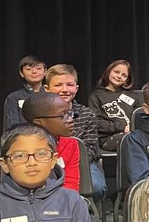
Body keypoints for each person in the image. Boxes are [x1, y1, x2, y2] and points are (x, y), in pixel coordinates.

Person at [47, 64, 105, 192]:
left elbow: (90, 148)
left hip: (82, 162)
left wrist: (70, 161)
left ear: (77, 88)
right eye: (58, 85)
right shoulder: (41, 114)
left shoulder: (87, 114)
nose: (65, 89)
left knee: (96, 186)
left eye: (70, 85)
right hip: (47, 162)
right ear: (46, 88)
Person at [22, 93, 81, 193]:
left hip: (62, 201)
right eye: (63, 115)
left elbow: (71, 184)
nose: (70, 120)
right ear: (39, 123)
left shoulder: (71, 144)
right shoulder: (21, 147)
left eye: (69, 113)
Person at [89, 60, 138, 152]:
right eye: (116, 72)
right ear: (109, 71)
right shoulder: (96, 95)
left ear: (127, 80)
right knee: (132, 138)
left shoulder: (132, 96)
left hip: (133, 133)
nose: (119, 76)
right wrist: (122, 127)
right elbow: (96, 122)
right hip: (107, 138)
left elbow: (139, 115)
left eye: (124, 75)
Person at [2, 55, 46, 131]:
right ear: (22, 73)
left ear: (45, 72)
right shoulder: (14, 98)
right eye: (28, 69)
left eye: (38, 68)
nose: (34, 72)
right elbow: (11, 126)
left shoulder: (51, 96)